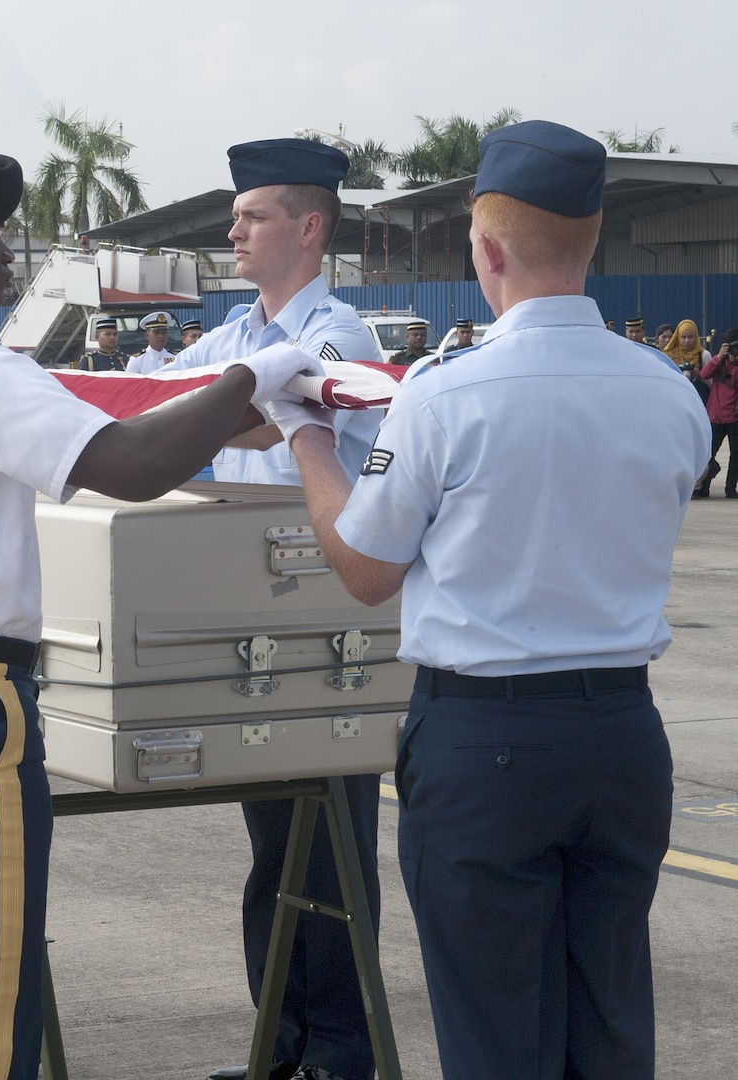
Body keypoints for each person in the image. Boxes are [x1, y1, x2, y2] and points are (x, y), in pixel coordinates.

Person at [0, 141, 321, 1080]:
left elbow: (131, 436)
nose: (10, 258)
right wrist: (251, 377)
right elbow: (132, 468)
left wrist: (231, 400)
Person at [283, 119, 707, 1080]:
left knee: (493, 1030)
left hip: (484, 742)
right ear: (591, 241)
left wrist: (304, 437)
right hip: (620, 733)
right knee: (608, 1017)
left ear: (485, 249)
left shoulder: (441, 395)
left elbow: (364, 570)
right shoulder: (667, 391)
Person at [165, 138, 384, 1080]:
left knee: (330, 852)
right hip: (254, 625)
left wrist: (196, 407)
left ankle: (339, 1055)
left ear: (308, 226)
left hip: (327, 624)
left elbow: (254, 413)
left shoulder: (341, 336)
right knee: (275, 856)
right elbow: (164, 403)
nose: (232, 230)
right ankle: (280, 1049)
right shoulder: (228, 340)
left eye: (251, 215)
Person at [694, 328, 738, 498]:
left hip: (734, 417)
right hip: (715, 415)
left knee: (736, 455)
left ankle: (730, 488)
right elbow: (704, 375)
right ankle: (703, 487)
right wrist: (719, 358)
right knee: (707, 453)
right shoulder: (718, 361)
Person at [664, 317, 711, 404]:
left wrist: (699, 374)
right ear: (677, 337)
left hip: (697, 399)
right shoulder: (669, 354)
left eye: (690, 337)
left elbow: (712, 383)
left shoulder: (704, 355)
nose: (687, 341)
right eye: (683, 337)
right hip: (674, 398)